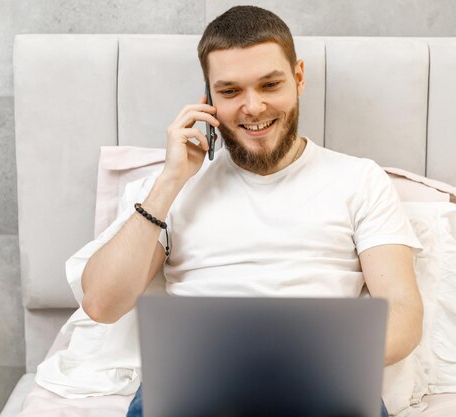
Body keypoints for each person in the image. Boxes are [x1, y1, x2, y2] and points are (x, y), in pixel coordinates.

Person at [78, 6, 423, 417]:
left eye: (269, 84)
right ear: (208, 100)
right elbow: (101, 304)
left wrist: (305, 358)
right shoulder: (169, 189)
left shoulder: (359, 180)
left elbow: (404, 313)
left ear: (298, 77)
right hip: (194, 386)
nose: (254, 107)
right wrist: (170, 183)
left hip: (324, 381)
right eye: (230, 92)